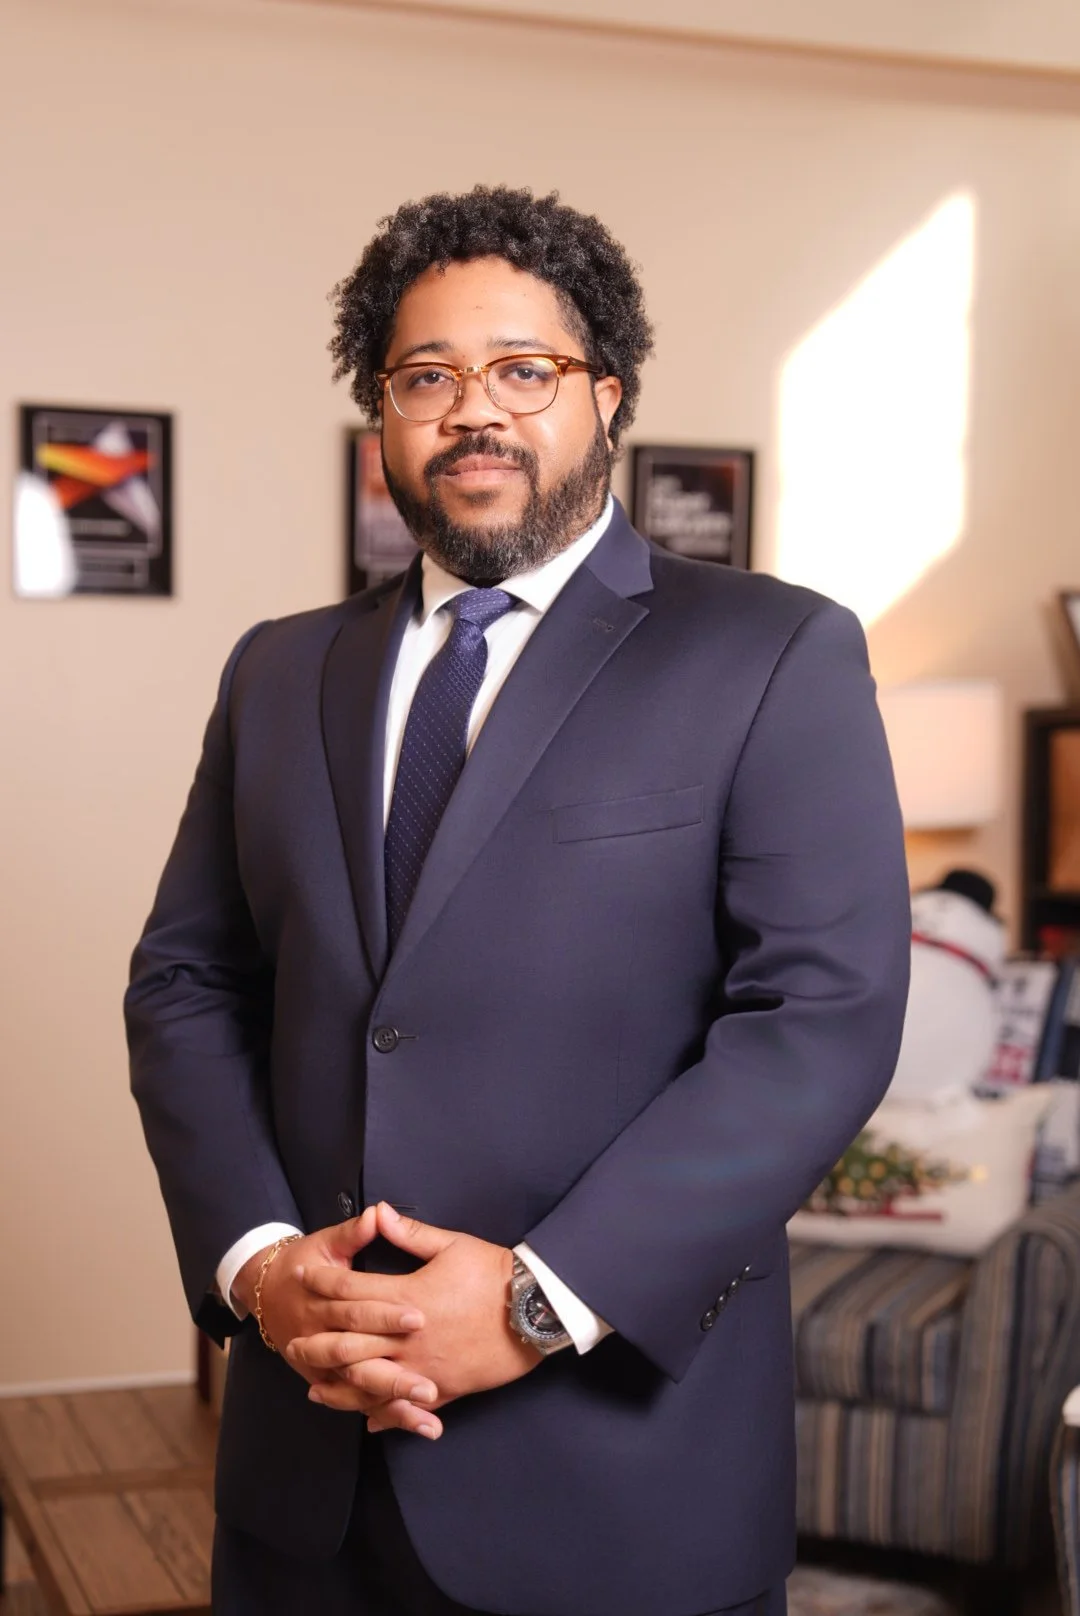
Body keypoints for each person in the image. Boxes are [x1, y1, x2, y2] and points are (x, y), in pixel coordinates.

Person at [125, 184, 911, 1616]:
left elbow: (821, 1019)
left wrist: (540, 1299)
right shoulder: (277, 671)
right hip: (306, 1483)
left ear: (605, 397)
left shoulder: (773, 653)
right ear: (384, 424)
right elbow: (189, 984)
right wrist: (258, 1266)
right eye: (427, 377)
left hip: (617, 1491)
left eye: (523, 370)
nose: (473, 410)